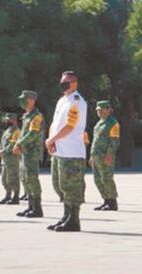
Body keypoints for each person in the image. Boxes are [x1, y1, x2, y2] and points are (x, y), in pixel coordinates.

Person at [45, 71, 89, 232]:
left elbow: (70, 126)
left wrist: (52, 139)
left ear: (75, 84)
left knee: (72, 187)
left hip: (72, 152)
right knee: (61, 185)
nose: (63, 85)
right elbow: (55, 122)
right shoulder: (62, 100)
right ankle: (66, 216)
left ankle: (73, 220)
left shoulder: (76, 102)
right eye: (62, 82)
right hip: (60, 150)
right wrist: (50, 140)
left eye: (67, 82)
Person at [14, 90, 45, 218]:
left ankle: (37, 209)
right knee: (25, 178)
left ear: (32, 100)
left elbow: (33, 133)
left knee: (32, 178)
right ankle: (30, 207)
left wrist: (19, 143)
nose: (22, 101)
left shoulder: (36, 116)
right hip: (25, 152)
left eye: (25, 99)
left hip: (32, 152)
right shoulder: (26, 116)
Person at [89, 100, 121, 211]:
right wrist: (92, 156)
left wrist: (109, 155)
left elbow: (114, 141)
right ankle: (106, 200)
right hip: (97, 156)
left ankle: (112, 202)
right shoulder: (99, 123)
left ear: (108, 110)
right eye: (98, 110)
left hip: (105, 156)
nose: (100, 112)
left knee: (107, 179)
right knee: (98, 179)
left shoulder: (113, 123)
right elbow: (95, 141)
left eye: (102, 110)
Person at [0, 113, 21, 204]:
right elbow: (1, 143)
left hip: (12, 159)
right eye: (6, 119)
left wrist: (3, 151)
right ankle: (8, 196)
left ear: (14, 120)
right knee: (4, 179)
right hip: (5, 159)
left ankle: (15, 197)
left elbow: (13, 144)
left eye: (9, 119)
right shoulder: (7, 131)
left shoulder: (17, 131)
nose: (7, 121)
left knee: (13, 178)